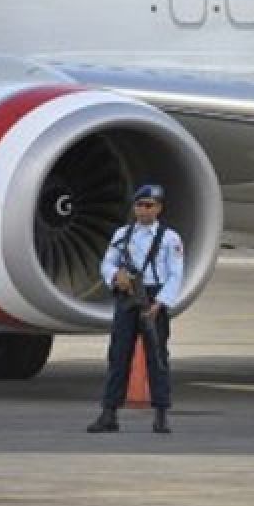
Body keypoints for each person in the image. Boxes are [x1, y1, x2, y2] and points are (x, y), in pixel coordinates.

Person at [86, 184, 184, 435]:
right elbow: (107, 262)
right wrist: (115, 275)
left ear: (159, 208)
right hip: (128, 296)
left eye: (148, 205)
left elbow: (175, 274)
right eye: (139, 205)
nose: (143, 210)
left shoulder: (169, 238)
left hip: (153, 297)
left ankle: (161, 413)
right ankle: (109, 413)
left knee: (157, 359)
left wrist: (160, 303)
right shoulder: (123, 234)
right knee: (118, 355)